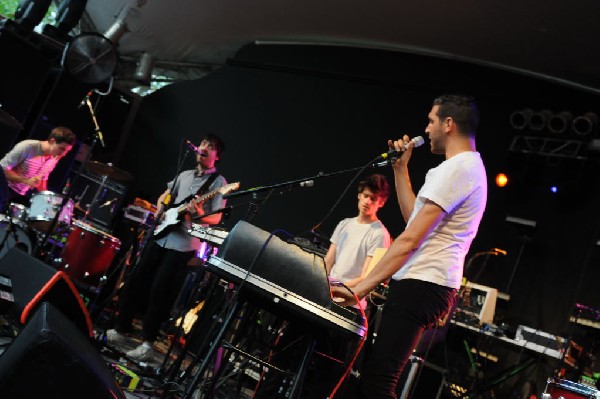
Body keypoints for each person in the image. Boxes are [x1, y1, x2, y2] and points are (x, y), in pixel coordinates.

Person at [331, 94, 487, 398]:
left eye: (431, 121)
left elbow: (410, 240)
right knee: (372, 379)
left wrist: (360, 288)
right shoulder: (464, 168)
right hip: (424, 283)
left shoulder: (457, 168)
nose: (426, 129)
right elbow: (413, 220)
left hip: (424, 283)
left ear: (449, 124)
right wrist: (400, 169)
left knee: (379, 382)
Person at [106, 134, 228, 362]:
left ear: (216, 156)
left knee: (160, 292)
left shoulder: (219, 183)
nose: (203, 148)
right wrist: (162, 207)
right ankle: (121, 328)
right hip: (161, 234)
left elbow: (216, 218)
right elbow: (166, 194)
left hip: (182, 245)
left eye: (209, 147)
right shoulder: (185, 174)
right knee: (135, 279)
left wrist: (198, 212)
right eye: (202, 144)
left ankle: (148, 343)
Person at [324, 173, 392, 305]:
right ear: (359, 195)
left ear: (381, 203)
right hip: (328, 294)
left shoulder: (380, 234)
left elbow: (366, 277)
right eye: (366, 196)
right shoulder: (344, 224)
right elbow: (328, 261)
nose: (367, 201)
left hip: (350, 302)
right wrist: (323, 284)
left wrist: (335, 289)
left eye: (373, 199)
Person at [0, 126, 76, 205]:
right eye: (62, 149)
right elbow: (2, 169)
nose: (63, 154)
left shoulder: (55, 157)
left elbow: (42, 180)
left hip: (20, 194)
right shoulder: (27, 147)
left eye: (67, 151)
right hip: (4, 188)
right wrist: (25, 180)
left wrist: (48, 199)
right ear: (52, 141)